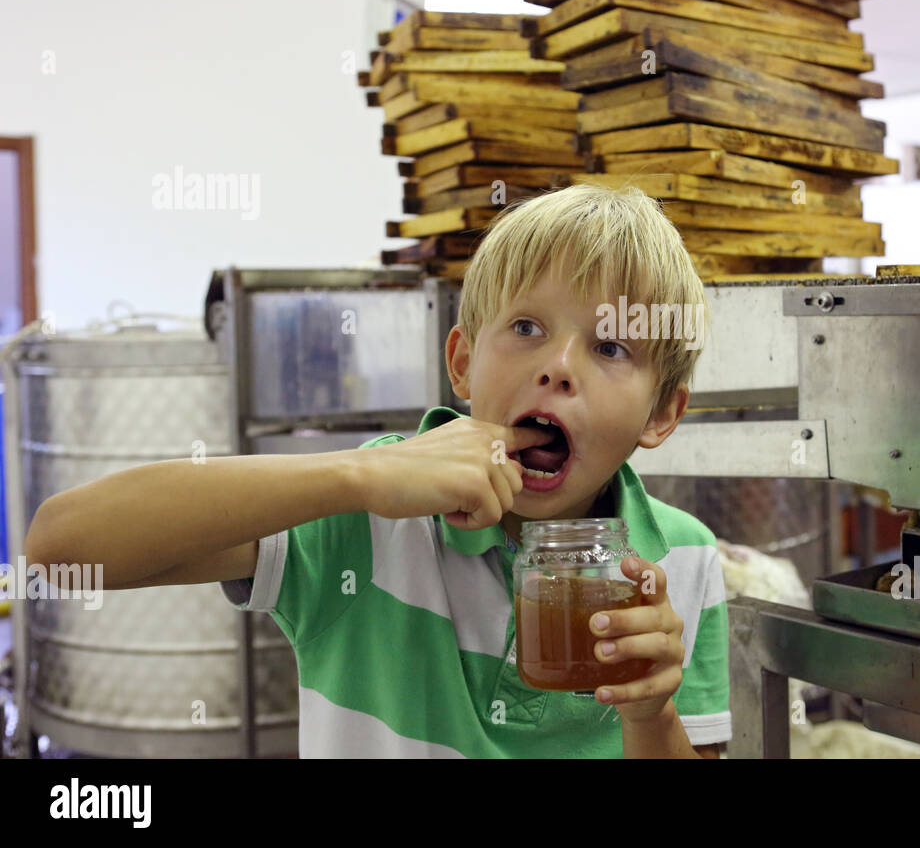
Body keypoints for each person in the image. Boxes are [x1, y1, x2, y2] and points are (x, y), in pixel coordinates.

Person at [25, 183, 730, 758]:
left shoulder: (685, 560)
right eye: (525, 328)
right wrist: (358, 478)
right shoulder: (369, 521)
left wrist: (649, 717)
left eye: (610, 347)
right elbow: (61, 548)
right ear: (461, 362)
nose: (559, 366)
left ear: (662, 413)